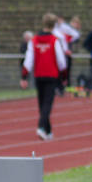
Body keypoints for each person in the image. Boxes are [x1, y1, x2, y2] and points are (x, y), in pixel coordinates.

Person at [20, 13, 67, 141]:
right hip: (51, 76)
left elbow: (28, 60)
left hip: (39, 75)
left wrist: (24, 76)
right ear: (54, 25)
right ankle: (41, 127)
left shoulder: (33, 40)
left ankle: (48, 131)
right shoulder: (54, 40)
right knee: (47, 103)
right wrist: (64, 76)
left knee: (42, 103)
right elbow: (61, 61)